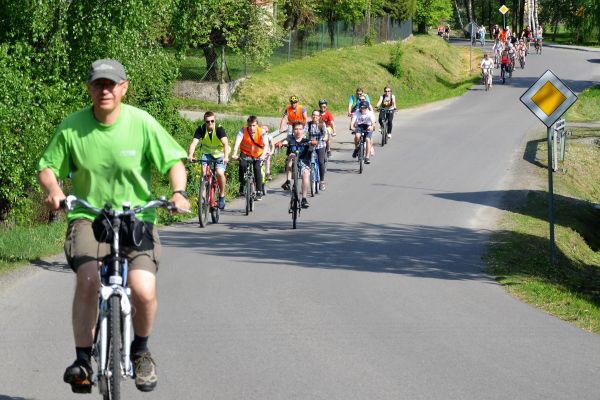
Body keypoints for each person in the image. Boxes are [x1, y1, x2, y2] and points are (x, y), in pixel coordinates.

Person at [37, 59, 190, 394]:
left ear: (124, 87)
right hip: (90, 217)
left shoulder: (142, 123)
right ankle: (82, 361)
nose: (104, 90)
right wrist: (55, 190)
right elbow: (47, 167)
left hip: (137, 217)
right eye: (97, 84)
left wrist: (177, 193)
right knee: (89, 279)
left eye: (111, 84)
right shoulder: (72, 127)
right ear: (89, 88)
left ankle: (140, 352)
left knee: (144, 289)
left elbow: (174, 163)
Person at [187, 111, 230, 209]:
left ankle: (221, 196)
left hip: (220, 154)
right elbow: (194, 143)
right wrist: (190, 155)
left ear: (215, 120)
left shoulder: (219, 129)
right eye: (207, 122)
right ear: (204, 122)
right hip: (207, 154)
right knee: (203, 172)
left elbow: (225, 144)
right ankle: (202, 197)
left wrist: (226, 157)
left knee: (219, 173)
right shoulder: (201, 129)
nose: (210, 123)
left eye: (212, 121)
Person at [277, 122, 315, 208]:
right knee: (292, 155)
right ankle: (288, 181)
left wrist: (313, 143)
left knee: (306, 174)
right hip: (292, 161)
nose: (298, 131)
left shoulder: (306, 140)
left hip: (304, 162)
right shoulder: (290, 139)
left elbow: (311, 142)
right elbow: (286, 141)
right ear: (293, 130)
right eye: (296, 129)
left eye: (300, 129)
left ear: (303, 131)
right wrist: (282, 143)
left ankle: (304, 199)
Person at [232, 115, 268, 200]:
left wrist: (263, 156)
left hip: (258, 155)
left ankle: (259, 191)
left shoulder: (262, 132)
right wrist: (234, 153)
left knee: (257, 168)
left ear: (257, 125)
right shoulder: (243, 130)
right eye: (250, 126)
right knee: (242, 165)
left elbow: (266, 145)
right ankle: (242, 185)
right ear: (247, 125)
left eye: (254, 125)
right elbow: (237, 143)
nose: (252, 128)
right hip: (245, 153)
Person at [306, 110, 329, 191]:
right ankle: (309, 173)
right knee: (307, 160)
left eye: (316, 115)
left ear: (319, 117)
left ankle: (322, 181)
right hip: (311, 144)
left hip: (320, 144)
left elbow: (325, 134)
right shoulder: (308, 124)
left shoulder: (322, 124)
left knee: (321, 162)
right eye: (313, 115)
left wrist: (325, 138)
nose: (315, 116)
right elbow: (304, 133)